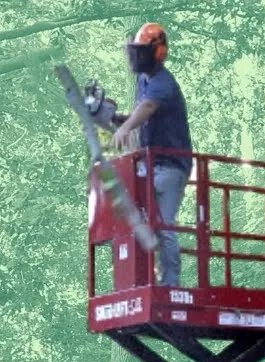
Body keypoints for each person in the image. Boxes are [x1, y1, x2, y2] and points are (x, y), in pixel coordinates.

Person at [112, 22, 193, 287]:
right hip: (151, 164)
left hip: (171, 166)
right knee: (138, 220)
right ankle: (144, 279)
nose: (137, 57)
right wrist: (113, 118)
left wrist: (125, 126)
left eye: (142, 52)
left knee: (164, 225)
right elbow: (140, 116)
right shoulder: (144, 81)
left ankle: (171, 283)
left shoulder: (162, 83)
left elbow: (147, 108)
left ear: (156, 53)